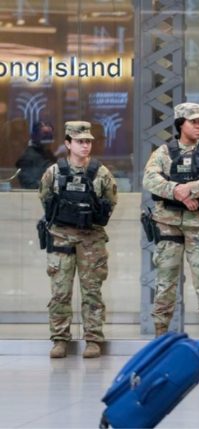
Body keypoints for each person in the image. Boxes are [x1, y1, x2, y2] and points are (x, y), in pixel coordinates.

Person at [143, 103, 199, 343]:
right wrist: (175, 190)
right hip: (168, 226)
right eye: (194, 122)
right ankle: (160, 340)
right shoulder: (164, 153)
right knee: (165, 284)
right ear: (181, 124)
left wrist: (190, 190)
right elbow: (149, 179)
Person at [39, 121, 117, 359]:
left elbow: (110, 202)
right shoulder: (54, 172)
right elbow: (45, 198)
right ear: (68, 144)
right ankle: (60, 339)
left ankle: (93, 340)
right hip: (61, 238)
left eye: (88, 142)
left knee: (92, 292)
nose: (85, 146)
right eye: (80, 141)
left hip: (91, 240)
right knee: (60, 292)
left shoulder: (101, 172)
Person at [17, 121, 57, 189]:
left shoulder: (48, 154)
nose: (48, 137)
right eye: (45, 133)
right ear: (34, 135)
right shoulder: (29, 156)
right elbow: (29, 183)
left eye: (50, 134)